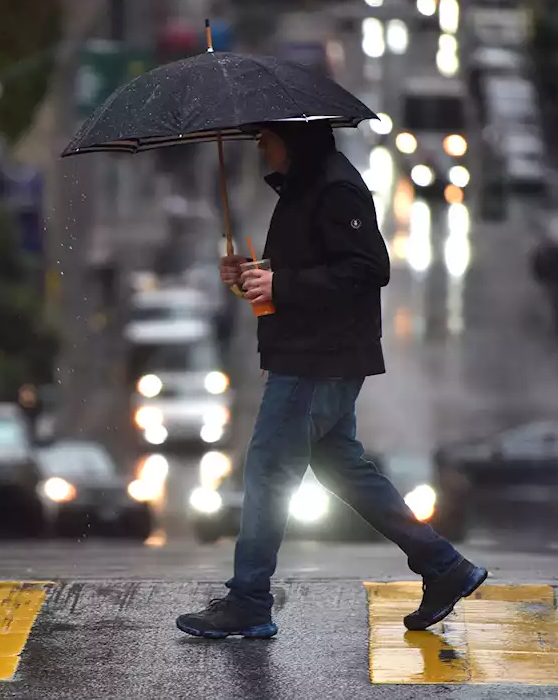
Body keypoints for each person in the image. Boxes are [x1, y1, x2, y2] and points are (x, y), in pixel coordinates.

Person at [176, 121, 486, 640]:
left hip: (317, 361)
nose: (258, 145)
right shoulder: (305, 186)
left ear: (291, 139)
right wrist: (251, 275)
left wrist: (281, 281)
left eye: (266, 136)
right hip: (312, 354)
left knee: (267, 471)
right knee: (344, 469)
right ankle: (443, 564)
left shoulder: (335, 188)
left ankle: (249, 599)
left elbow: (369, 269)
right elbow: (306, 273)